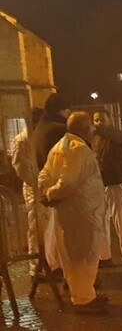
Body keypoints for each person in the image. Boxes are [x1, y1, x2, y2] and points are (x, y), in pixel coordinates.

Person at [37, 112, 108, 314]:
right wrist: (51, 194)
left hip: (71, 211)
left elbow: (44, 174)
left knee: (73, 252)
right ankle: (83, 298)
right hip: (83, 211)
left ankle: (85, 292)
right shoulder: (79, 150)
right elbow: (69, 182)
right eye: (91, 127)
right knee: (85, 254)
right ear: (85, 129)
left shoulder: (59, 147)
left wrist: (46, 191)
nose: (94, 130)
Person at [11, 108, 61, 280]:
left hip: (42, 186)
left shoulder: (36, 136)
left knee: (49, 228)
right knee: (37, 228)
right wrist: (37, 183)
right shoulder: (21, 140)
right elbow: (21, 167)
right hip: (34, 189)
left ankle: (50, 263)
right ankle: (37, 268)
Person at [93, 110, 122, 269]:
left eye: (101, 120)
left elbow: (110, 136)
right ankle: (104, 256)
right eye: (96, 120)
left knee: (121, 219)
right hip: (101, 183)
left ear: (110, 120)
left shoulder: (117, 135)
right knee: (101, 220)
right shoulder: (98, 138)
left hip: (117, 182)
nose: (98, 123)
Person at [32, 93, 72, 170]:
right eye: (67, 111)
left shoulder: (39, 128)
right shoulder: (58, 130)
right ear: (62, 110)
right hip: (57, 177)